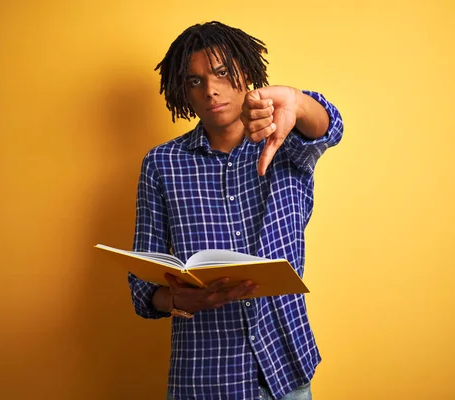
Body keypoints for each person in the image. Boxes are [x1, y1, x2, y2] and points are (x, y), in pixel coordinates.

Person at [128, 21, 343, 400]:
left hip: (285, 370)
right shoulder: (161, 165)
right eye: (195, 81)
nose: (211, 89)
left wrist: (295, 99)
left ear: (245, 71)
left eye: (222, 73)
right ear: (184, 92)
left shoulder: (285, 141)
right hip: (205, 376)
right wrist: (180, 300)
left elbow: (330, 128)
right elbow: (143, 289)